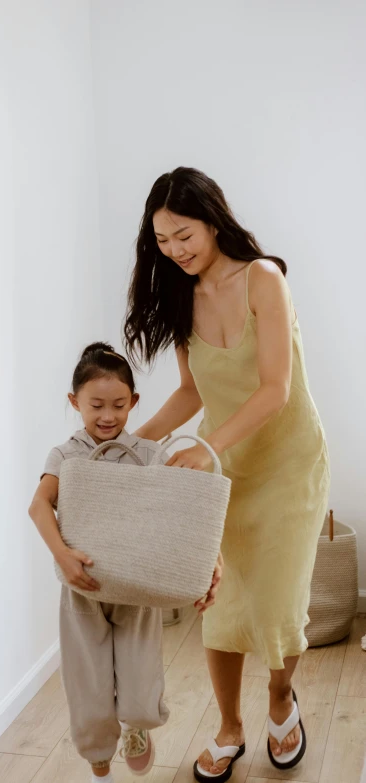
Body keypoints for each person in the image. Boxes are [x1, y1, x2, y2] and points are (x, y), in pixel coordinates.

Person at [124, 167, 330, 782]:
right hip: (227, 469)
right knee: (220, 604)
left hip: (290, 464)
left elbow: (274, 390)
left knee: (277, 603)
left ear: (213, 220)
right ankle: (229, 728)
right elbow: (192, 391)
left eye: (183, 235)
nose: (175, 251)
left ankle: (279, 700)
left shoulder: (263, 278)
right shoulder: (181, 296)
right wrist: (132, 445)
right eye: (161, 241)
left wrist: (205, 449)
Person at [30, 342, 219, 783]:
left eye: (119, 405)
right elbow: (39, 505)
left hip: (135, 589)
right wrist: (62, 554)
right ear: (75, 402)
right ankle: (98, 755)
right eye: (96, 405)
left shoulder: (147, 454)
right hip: (84, 589)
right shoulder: (66, 455)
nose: (108, 416)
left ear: (134, 402)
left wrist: (212, 561)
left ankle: (137, 726)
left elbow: (188, 514)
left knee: (140, 685)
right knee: (88, 684)